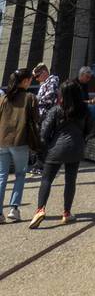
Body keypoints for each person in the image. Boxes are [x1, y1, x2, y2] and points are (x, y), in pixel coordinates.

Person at [29, 81, 94, 228]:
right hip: (76, 148)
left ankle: (40, 210)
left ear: (62, 94)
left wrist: (45, 149)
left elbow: (44, 133)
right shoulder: (85, 110)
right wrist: (82, 140)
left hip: (56, 149)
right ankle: (66, 213)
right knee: (70, 181)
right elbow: (90, 130)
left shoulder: (56, 110)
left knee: (46, 180)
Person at [0, 70, 40, 223]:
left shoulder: (3, 98)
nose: (31, 81)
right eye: (29, 79)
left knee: (2, 176)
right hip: (20, 141)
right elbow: (37, 118)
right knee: (20, 174)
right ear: (24, 81)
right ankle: (14, 208)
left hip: (2, 141)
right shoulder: (30, 98)